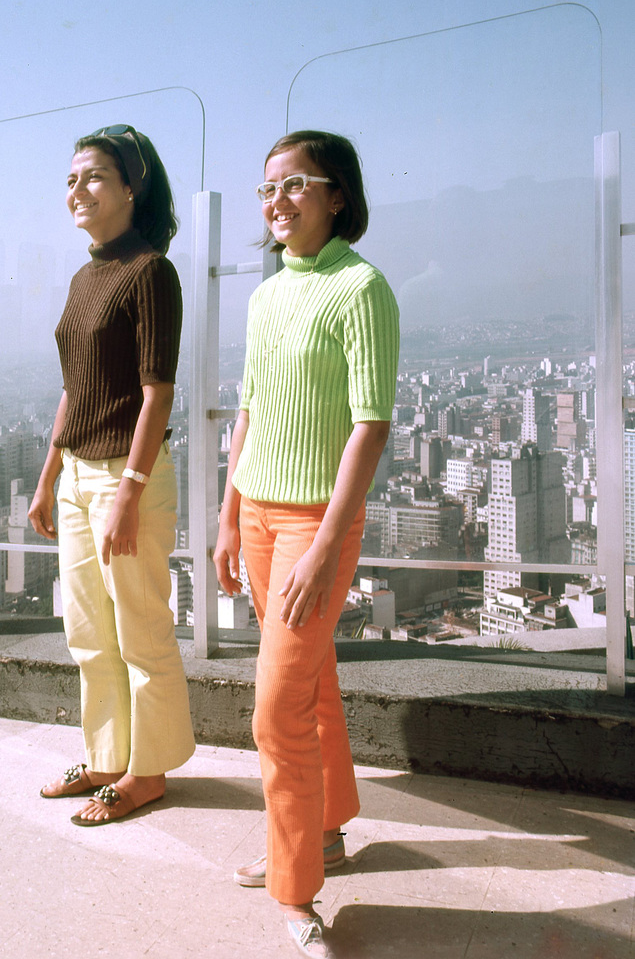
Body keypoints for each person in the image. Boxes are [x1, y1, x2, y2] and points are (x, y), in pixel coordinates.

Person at [213, 131, 399, 957]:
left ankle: (295, 897)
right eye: (266, 191)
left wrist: (326, 544)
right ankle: (324, 831)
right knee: (311, 678)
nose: (275, 202)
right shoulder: (264, 296)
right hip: (255, 514)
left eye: (295, 186)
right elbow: (247, 414)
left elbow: (371, 425)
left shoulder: (361, 289)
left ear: (337, 196)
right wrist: (226, 514)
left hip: (312, 524)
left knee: (275, 714)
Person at [29, 124, 195, 826]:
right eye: (71, 178)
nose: (78, 190)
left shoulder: (149, 271)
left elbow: (157, 392)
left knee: (140, 630)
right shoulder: (84, 276)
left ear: (133, 186)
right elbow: (76, 387)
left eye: (93, 176)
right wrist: (47, 474)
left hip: (128, 475)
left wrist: (128, 489)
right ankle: (103, 759)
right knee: (88, 629)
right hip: (76, 475)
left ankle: (146, 771)